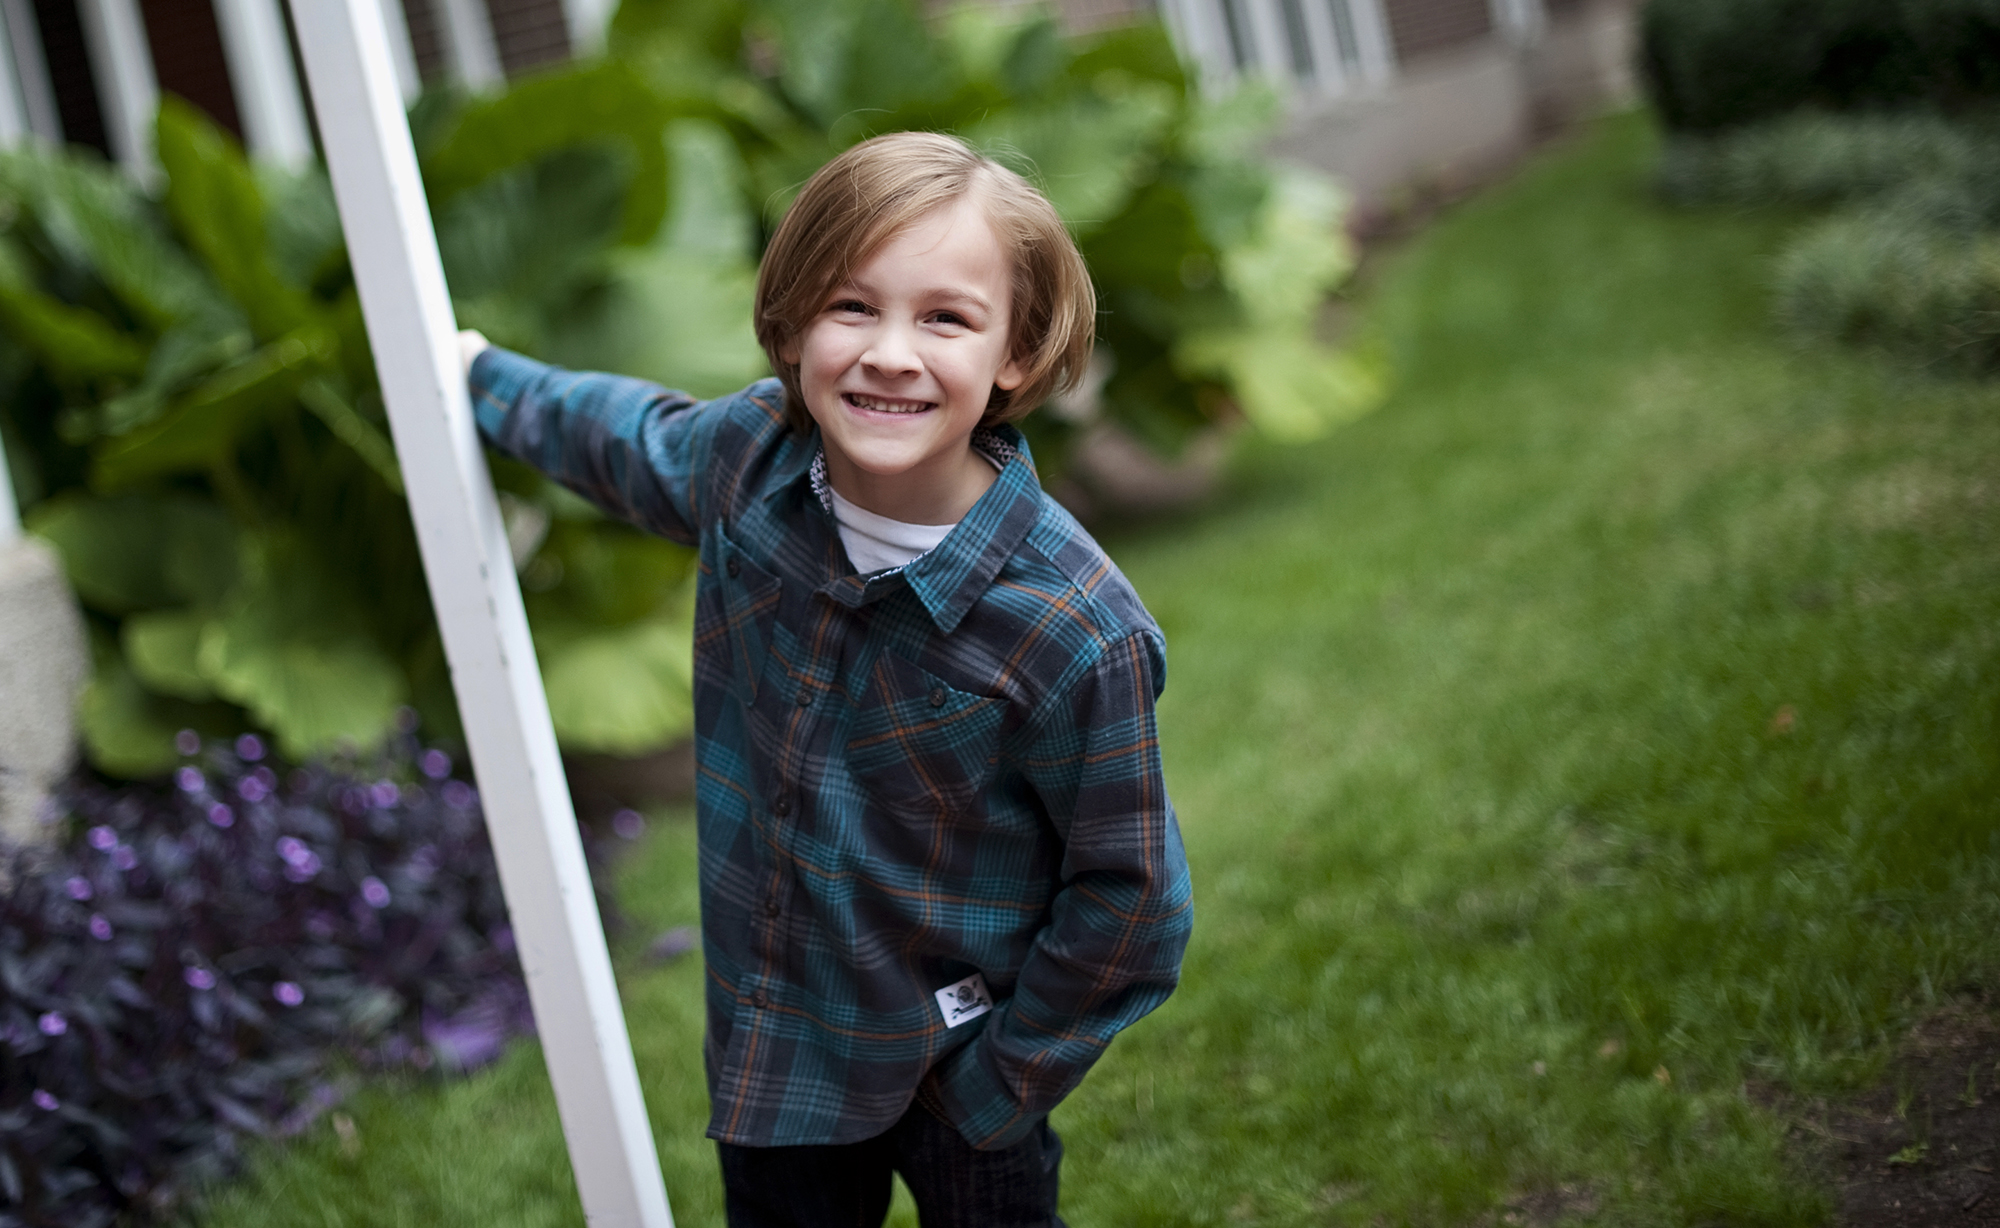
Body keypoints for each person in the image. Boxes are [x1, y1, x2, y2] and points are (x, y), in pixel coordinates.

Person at [459, 130, 1192, 1228]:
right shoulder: (746, 461)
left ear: (1017, 352)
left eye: (945, 319)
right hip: (781, 1046)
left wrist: (996, 1088)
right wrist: (471, 374)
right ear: (793, 322)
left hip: (960, 1062)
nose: (890, 353)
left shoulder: (1074, 629)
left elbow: (1131, 899)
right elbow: (624, 439)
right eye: (852, 306)